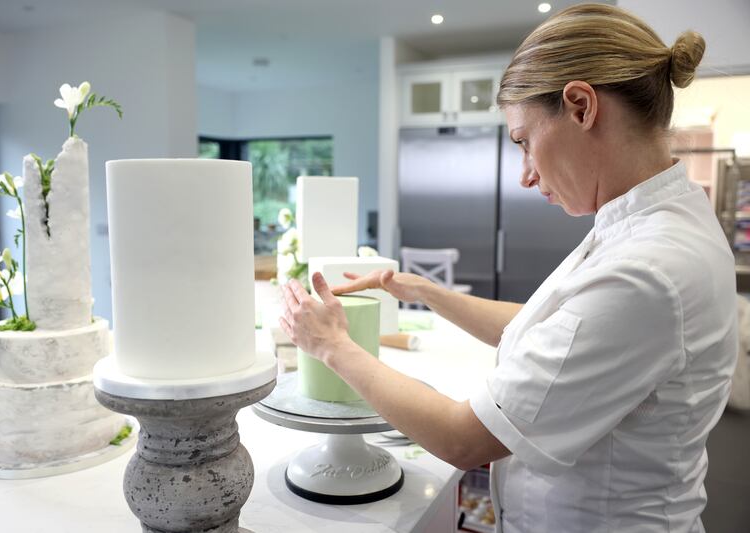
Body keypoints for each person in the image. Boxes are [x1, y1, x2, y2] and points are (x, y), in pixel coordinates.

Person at [278, 4, 737, 531]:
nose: (524, 175)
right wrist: (423, 291)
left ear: (581, 106)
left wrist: (331, 345)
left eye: (522, 140)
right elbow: (560, 329)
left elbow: (461, 437)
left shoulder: (650, 268)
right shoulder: (656, 221)